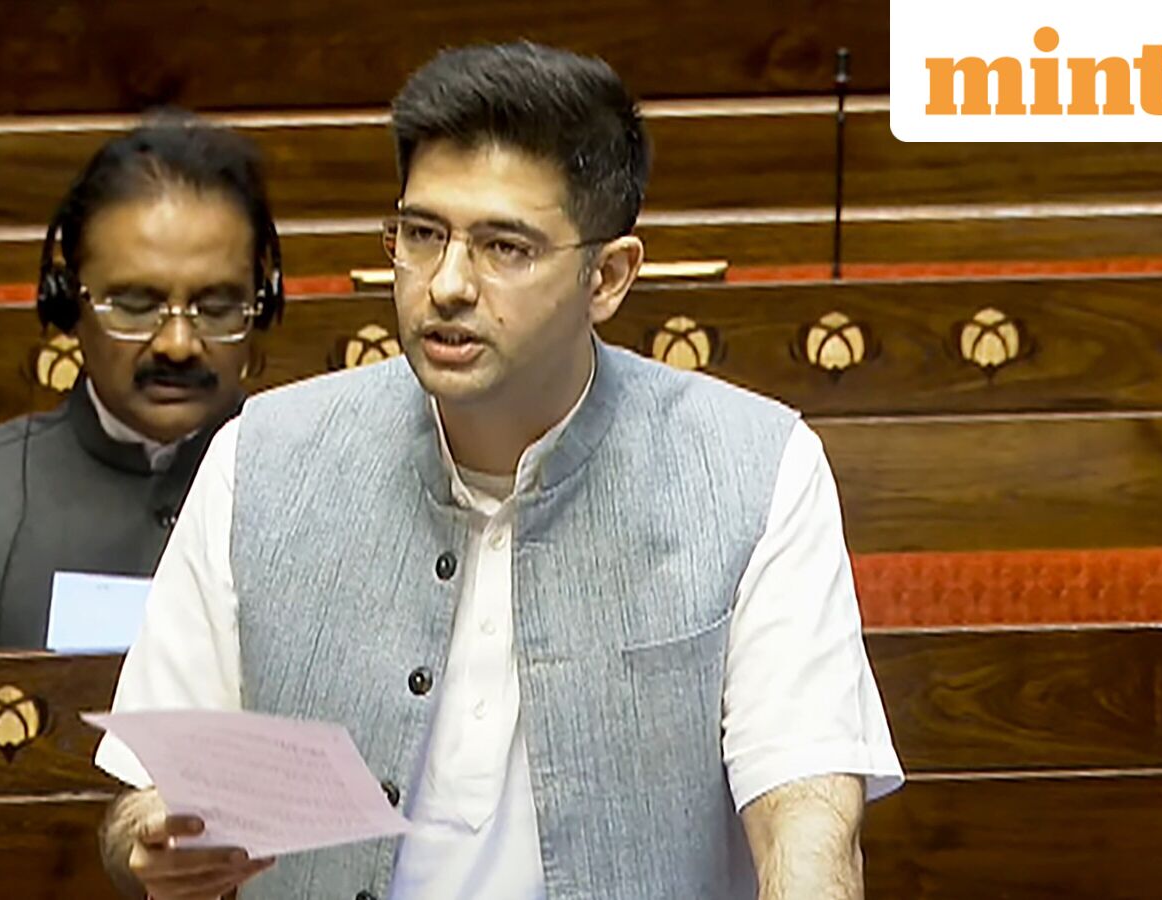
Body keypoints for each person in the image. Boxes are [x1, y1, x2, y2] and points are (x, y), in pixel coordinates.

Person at [94, 43, 902, 899]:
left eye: (504, 247)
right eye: (422, 235)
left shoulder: (756, 469)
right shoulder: (261, 459)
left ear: (607, 277)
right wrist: (156, 835)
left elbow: (808, 816)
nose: (446, 284)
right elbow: (139, 806)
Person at [0, 116, 283, 652]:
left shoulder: (326, 491)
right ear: (68, 304)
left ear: (261, 306)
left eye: (217, 307)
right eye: (135, 306)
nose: (178, 344)